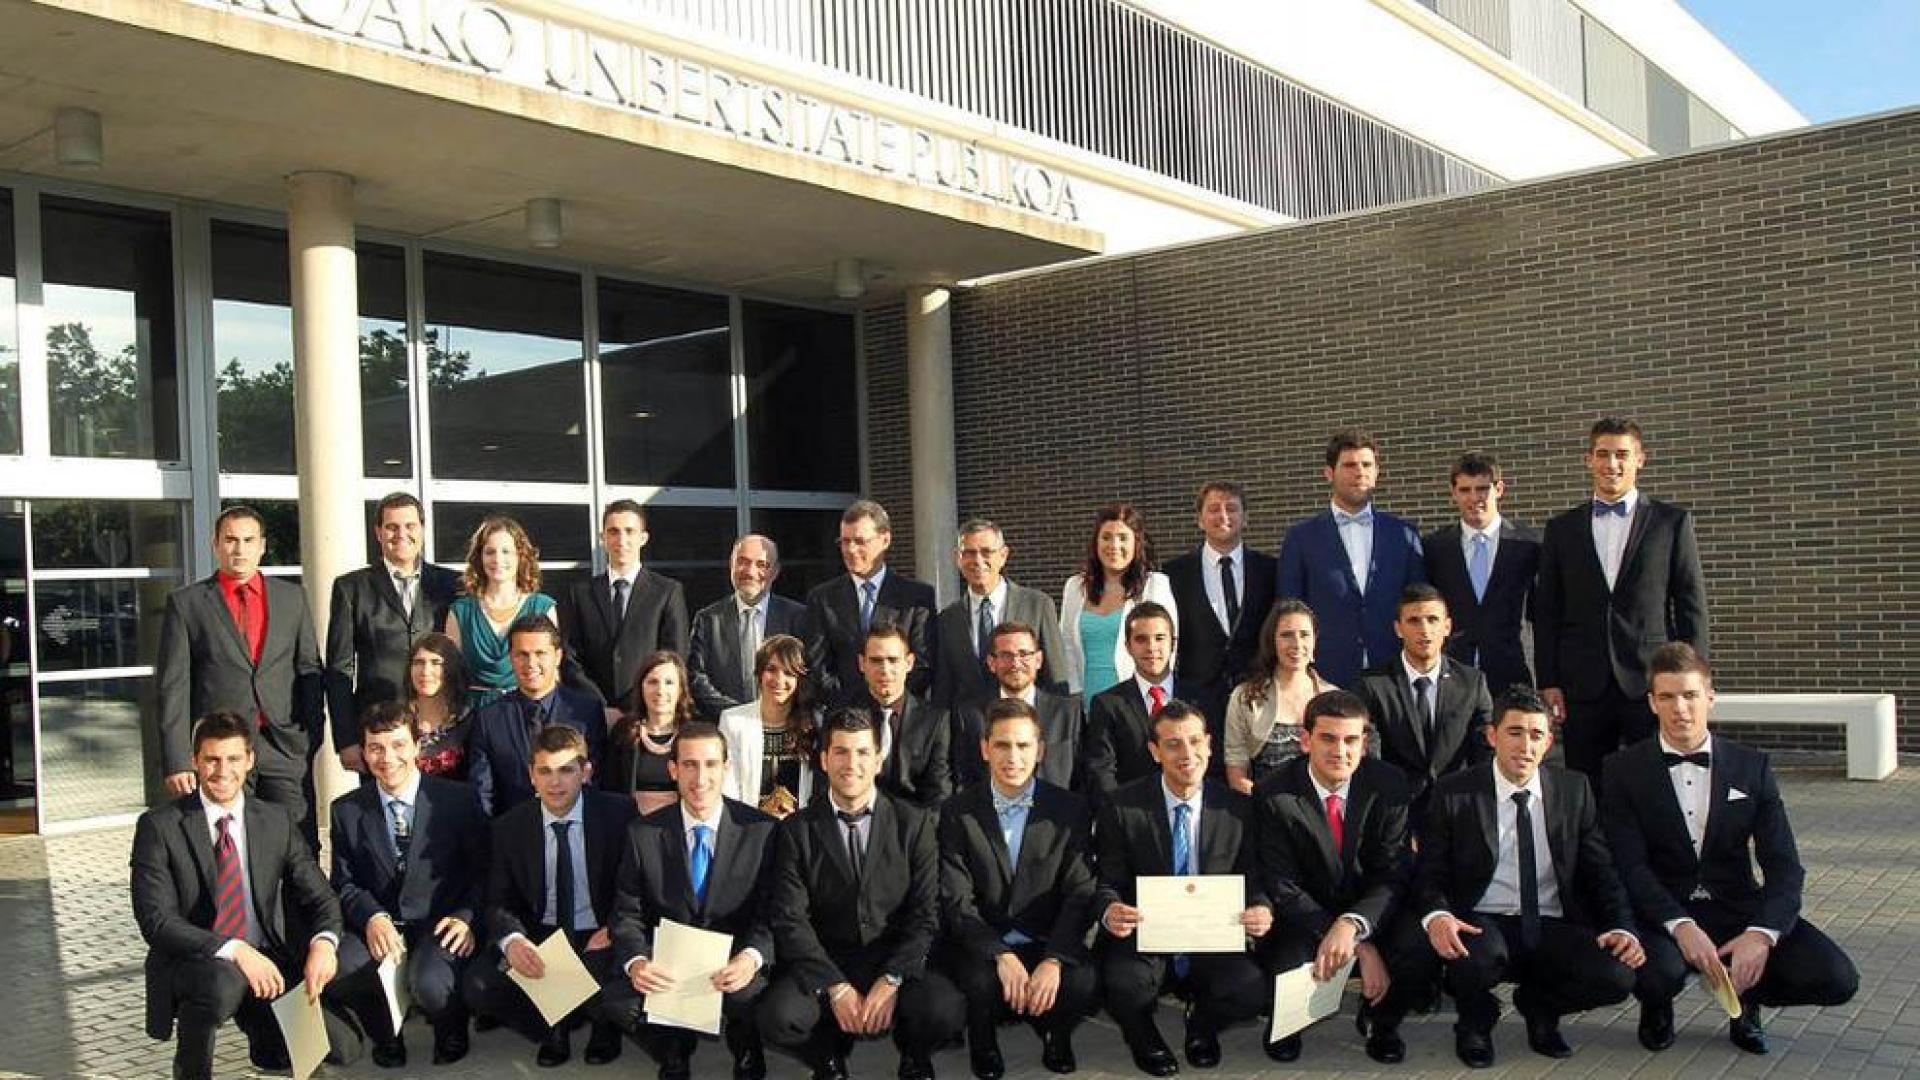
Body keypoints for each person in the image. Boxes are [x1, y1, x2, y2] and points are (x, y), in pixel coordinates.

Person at [1605, 644, 1856, 1056]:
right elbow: (1630, 865)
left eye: (1689, 695)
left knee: (1837, 978)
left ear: (1710, 697)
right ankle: (1657, 1006)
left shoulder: (1751, 766)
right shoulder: (1622, 770)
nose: (1680, 709)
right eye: (1667, 697)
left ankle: (1747, 1003)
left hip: (1735, 907)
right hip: (1663, 911)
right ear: (1652, 703)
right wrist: (1680, 925)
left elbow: (1784, 866)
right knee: (1656, 973)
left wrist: (1760, 935)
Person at [1411, 687, 1644, 1068]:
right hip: (1484, 920)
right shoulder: (1456, 793)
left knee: (1617, 976)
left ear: (1549, 742)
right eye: (1514, 732)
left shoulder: (1574, 790)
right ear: (1492, 736)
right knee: (1472, 957)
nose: (1525, 746)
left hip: (1552, 920)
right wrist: (1437, 915)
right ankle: (1474, 1023)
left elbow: (1601, 870)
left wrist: (1623, 926)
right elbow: (1431, 870)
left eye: (1536, 735)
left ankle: (1540, 1007)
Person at [131, 712, 360, 1080]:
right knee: (224, 984)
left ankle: (263, 1036)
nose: (223, 771)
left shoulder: (275, 819)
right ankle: (191, 1070)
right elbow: (156, 922)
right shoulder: (159, 827)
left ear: (250, 760)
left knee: (344, 1049)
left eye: (234, 759)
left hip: (267, 958)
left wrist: (324, 943)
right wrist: (235, 950)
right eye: (212, 759)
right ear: (195, 761)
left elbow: (322, 898)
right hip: (196, 959)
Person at [758, 708, 965, 1080]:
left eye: (862, 752)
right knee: (777, 1017)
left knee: (946, 1010)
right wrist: (835, 986)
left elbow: (926, 913)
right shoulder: (796, 830)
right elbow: (790, 918)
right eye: (840, 752)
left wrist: (893, 979)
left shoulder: (914, 823)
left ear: (878, 759)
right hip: (828, 958)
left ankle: (914, 1053)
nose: (851, 763)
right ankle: (827, 1056)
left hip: (892, 954)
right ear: (823, 759)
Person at [1094, 700, 1271, 1076]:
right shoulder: (1122, 806)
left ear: (1209, 745)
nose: (1186, 754)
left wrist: (1261, 908)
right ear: (1155, 752)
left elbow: (1253, 876)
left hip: (1212, 936)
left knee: (1251, 990)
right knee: (1122, 985)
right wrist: (1110, 909)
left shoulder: (1237, 808)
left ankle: (1202, 1025)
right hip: (1147, 933)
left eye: (1194, 741)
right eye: (1173, 744)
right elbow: (1109, 877)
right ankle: (1143, 1037)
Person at [1535, 418, 1709, 780]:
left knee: (1657, 780)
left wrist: (1694, 679)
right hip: (1583, 683)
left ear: (1640, 459)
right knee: (1587, 782)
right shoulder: (1562, 528)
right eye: (1602, 454)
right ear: (1588, 460)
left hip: (1650, 679)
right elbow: (1548, 610)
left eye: (1621, 455)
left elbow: (1691, 605)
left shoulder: (1671, 523)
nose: (1611, 464)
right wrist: (1549, 680)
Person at [608, 722, 780, 1080]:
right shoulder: (643, 834)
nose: (700, 778)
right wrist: (638, 962)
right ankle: (673, 1048)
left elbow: (773, 910)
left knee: (753, 997)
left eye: (711, 764)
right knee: (616, 1002)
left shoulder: (761, 831)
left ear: (726, 768)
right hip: (670, 963)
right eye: (689, 765)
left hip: (734, 961)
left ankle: (745, 1042)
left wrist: (750, 958)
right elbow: (627, 912)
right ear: (673, 770)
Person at [938, 700, 1100, 1079]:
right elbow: (956, 899)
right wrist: (1000, 954)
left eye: (1024, 746)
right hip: (986, 941)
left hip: (1045, 938)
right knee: (979, 981)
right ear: (984, 749)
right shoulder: (957, 811)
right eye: (1002, 745)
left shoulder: (1070, 809)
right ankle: (983, 1039)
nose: (1013, 756)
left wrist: (1055, 958)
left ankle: (1056, 1034)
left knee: (1085, 981)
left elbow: (1080, 892)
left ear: (1040, 750)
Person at [1251, 690, 1413, 1064]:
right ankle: (1287, 1020)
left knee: (1416, 946)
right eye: (1328, 738)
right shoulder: (1275, 793)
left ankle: (1381, 1022)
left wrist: (1355, 926)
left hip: (1370, 908)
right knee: (1285, 961)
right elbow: (1282, 885)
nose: (1340, 751)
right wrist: (1354, 940)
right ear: (1306, 740)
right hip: (1304, 916)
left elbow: (1394, 873)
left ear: (1365, 743)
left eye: (1351, 740)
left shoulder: (1389, 785)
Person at [462, 724, 637, 1067]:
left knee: (608, 983)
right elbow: (498, 900)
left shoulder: (618, 813)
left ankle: (602, 1025)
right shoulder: (509, 827)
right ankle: (552, 1023)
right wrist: (514, 940)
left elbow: (634, 885)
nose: (555, 782)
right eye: (545, 771)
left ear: (586, 772)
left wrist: (616, 926)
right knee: (477, 987)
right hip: (541, 931)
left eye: (566, 771)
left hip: (597, 932)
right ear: (531, 776)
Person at [328, 702, 488, 1067]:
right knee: (338, 968)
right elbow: (345, 882)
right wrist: (371, 917)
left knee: (429, 984)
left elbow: (484, 871)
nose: (388, 758)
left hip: (441, 924)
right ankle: (385, 1031)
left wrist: (467, 918)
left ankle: (450, 1027)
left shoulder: (457, 800)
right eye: (376, 748)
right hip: (381, 925)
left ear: (418, 746)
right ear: (365, 753)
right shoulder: (346, 810)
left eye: (399, 745)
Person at [155, 505, 325, 846]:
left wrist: (311, 734)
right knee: (226, 842)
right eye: (230, 540)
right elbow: (174, 686)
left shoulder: (292, 597)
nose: (239, 549)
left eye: (248, 540)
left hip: (283, 745)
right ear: (215, 544)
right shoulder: (187, 604)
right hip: (220, 749)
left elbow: (308, 667)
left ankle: (295, 903)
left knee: (297, 842)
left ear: (262, 545)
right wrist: (178, 759)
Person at [1277, 428, 1427, 688]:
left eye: (1367, 464)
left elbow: (1418, 603)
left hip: (1394, 675)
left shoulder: (1404, 535)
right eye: (1349, 465)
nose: (1359, 472)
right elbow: (1289, 609)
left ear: (1377, 473)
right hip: (1326, 674)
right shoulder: (1301, 538)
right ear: (1328, 473)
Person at [325, 491, 462, 772]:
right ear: (378, 532)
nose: (402, 534)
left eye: (410, 526)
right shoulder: (351, 588)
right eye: (392, 527)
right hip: (380, 732)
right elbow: (339, 670)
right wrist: (346, 740)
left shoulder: (452, 585)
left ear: (422, 529)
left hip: (440, 728)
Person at [1354, 585, 1493, 829]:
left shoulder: (1472, 683)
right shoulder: (1372, 685)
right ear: (1398, 628)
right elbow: (1371, 756)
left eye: (1432, 620)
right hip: (1394, 814)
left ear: (1447, 626)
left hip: (1458, 814)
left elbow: (1485, 752)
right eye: (1414, 621)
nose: (1424, 629)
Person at [1164, 481, 1278, 748]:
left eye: (1232, 509)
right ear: (1200, 520)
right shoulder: (1174, 574)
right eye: (1214, 509)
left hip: (1258, 696)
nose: (1223, 516)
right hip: (1198, 698)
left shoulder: (1270, 570)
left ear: (1245, 518)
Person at [1421, 453, 1541, 695]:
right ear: (1453, 493)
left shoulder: (1531, 546)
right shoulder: (1434, 548)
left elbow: (1545, 615)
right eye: (1465, 490)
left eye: (1482, 489)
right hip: (1452, 675)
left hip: (1514, 671)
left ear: (1499, 489)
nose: (1474, 498)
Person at [466, 616, 609, 816]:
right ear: (510, 658)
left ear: (558, 656)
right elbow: (482, 793)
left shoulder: (586, 712)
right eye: (522, 654)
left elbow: (596, 781)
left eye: (540, 653)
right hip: (513, 837)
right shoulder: (489, 719)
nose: (531, 663)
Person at [560, 500, 690, 710]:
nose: (622, 540)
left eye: (629, 531)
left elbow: (676, 657)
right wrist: (601, 706)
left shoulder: (667, 592)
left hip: (648, 711)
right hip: (592, 712)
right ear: (602, 538)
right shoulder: (580, 594)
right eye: (613, 531)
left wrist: (638, 702)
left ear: (643, 538)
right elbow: (570, 656)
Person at [804, 500, 937, 706]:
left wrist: (887, 701)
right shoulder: (822, 599)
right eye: (845, 541)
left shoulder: (916, 597)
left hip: (899, 717)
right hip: (844, 720)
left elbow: (922, 663)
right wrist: (854, 707)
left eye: (860, 541)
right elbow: (817, 667)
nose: (851, 549)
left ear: (885, 540)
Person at [931, 518, 1066, 709]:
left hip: (1027, 728)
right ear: (958, 559)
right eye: (969, 553)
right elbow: (944, 690)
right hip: (970, 732)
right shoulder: (947, 619)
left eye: (986, 552)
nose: (978, 560)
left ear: (1003, 555)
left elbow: (1056, 678)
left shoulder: (1038, 606)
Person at [1058, 502, 1178, 699]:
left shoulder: (1155, 585)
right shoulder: (1075, 587)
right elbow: (1067, 645)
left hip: (1137, 701)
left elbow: (1165, 649)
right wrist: (1075, 694)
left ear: (1136, 544)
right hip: (1087, 699)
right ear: (1096, 543)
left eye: (1123, 538)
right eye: (1106, 537)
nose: (1114, 546)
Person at [951, 622, 1086, 791]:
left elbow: (1083, 778)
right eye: (1006, 655)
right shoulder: (970, 716)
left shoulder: (1068, 713)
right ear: (992, 663)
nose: (1016, 663)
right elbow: (964, 781)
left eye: (1024, 654)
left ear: (1038, 660)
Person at [444, 515, 561, 707]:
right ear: (479, 557)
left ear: (520, 556)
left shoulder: (543, 607)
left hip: (529, 710)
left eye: (506, 551)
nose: (498, 559)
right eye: (490, 552)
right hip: (473, 715)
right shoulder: (460, 612)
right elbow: (451, 677)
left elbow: (553, 674)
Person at [689, 534, 808, 718]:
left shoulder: (798, 617)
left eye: (762, 564)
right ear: (731, 565)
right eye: (742, 562)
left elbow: (808, 675)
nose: (750, 572)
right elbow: (697, 678)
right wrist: (739, 715)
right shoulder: (708, 619)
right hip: (727, 728)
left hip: (784, 727)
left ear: (775, 572)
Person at [1223, 600, 1336, 793]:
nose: (1297, 643)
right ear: (1272, 641)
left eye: (1304, 635)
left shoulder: (1334, 699)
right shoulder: (1245, 697)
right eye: (1287, 635)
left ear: (1315, 640)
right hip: (1263, 809)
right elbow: (1236, 773)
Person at [1083, 602, 1190, 799]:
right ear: (1128, 647)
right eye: (1141, 639)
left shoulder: (1200, 699)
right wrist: (1121, 817)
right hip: (1132, 814)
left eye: (1159, 638)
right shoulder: (1107, 704)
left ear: (1173, 644)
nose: (1151, 647)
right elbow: (1102, 770)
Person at [718, 634, 821, 816]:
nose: (779, 680)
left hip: (799, 829)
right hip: (747, 827)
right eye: (771, 669)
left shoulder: (813, 724)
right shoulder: (732, 721)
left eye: (789, 673)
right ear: (759, 674)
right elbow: (728, 789)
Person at [855, 620, 952, 808]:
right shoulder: (842, 717)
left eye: (893, 660)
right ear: (862, 664)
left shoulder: (935, 721)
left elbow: (939, 794)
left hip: (916, 827)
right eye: (876, 660)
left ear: (909, 663)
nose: (885, 670)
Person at [603, 651, 695, 816]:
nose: (660, 690)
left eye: (669, 682)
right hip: (631, 828)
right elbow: (610, 788)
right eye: (652, 682)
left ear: (681, 689)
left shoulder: (692, 736)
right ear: (641, 687)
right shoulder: (624, 733)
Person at [405, 632, 472, 779]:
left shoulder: (471, 725)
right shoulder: (398, 720)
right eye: (419, 662)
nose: (425, 671)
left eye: (436, 663)